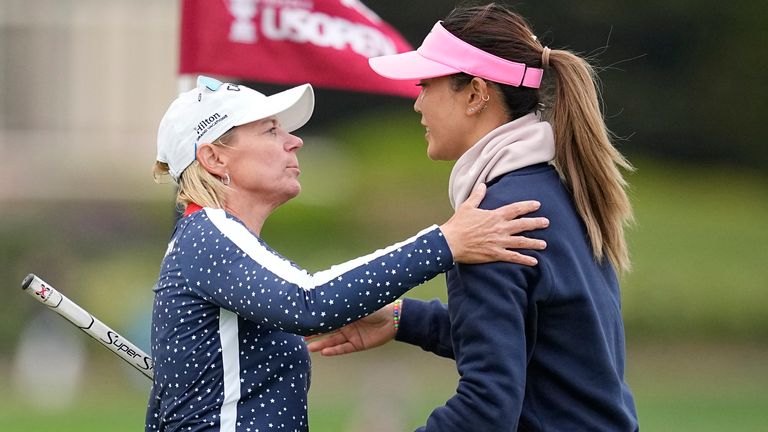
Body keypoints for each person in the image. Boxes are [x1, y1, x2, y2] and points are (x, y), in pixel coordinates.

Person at [145, 75, 549, 431]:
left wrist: (400, 314)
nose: (294, 141)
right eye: (270, 131)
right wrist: (445, 242)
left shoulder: (210, 239)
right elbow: (309, 302)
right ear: (214, 158)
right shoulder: (209, 234)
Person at [307, 3, 639, 431]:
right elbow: (532, 340)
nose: (418, 103)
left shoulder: (490, 223)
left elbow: (486, 410)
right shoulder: (555, 189)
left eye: (427, 84)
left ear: (476, 94)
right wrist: (403, 318)